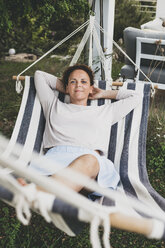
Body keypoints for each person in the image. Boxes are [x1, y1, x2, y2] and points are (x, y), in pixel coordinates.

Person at [27, 63, 141, 197]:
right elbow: (40, 75)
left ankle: (38, 194)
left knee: (89, 160)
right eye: (73, 82)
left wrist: (103, 93)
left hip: (91, 167)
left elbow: (136, 96)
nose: (78, 84)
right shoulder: (53, 105)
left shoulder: (105, 111)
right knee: (79, 167)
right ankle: (54, 194)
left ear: (91, 88)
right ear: (66, 87)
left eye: (83, 82)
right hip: (55, 161)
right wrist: (69, 88)